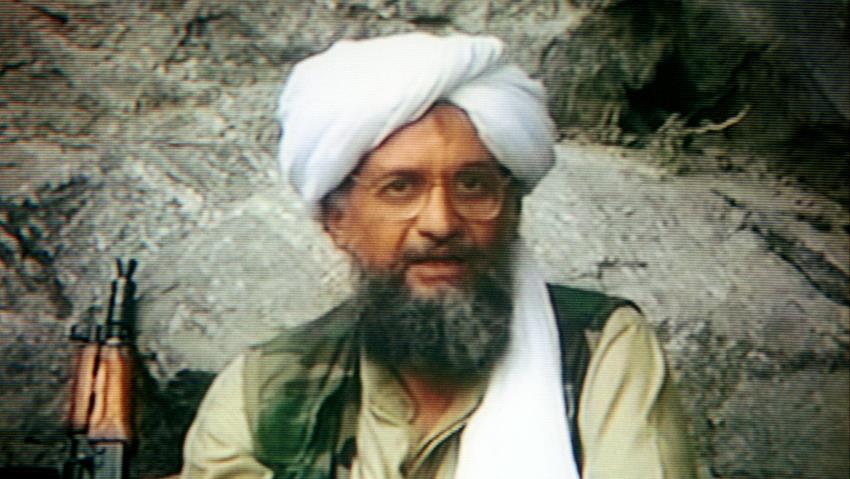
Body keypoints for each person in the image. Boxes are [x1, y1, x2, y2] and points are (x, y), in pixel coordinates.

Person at [180, 32, 695, 479]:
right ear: (337, 222)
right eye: (400, 188)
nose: (441, 223)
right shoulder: (264, 391)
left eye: (472, 185)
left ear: (512, 210)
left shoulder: (596, 351)